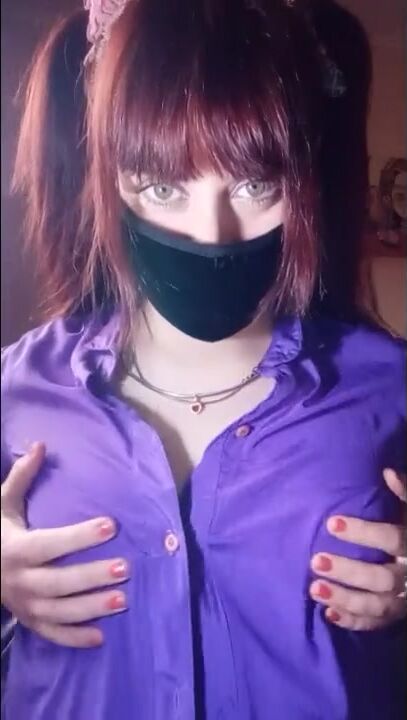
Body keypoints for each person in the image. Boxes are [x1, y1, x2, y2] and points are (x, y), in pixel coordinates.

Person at [1, 1, 406, 718]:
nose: (212, 232)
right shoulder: (17, 388)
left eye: (255, 186)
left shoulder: (389, 385)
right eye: (162, 188)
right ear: (107, 181)